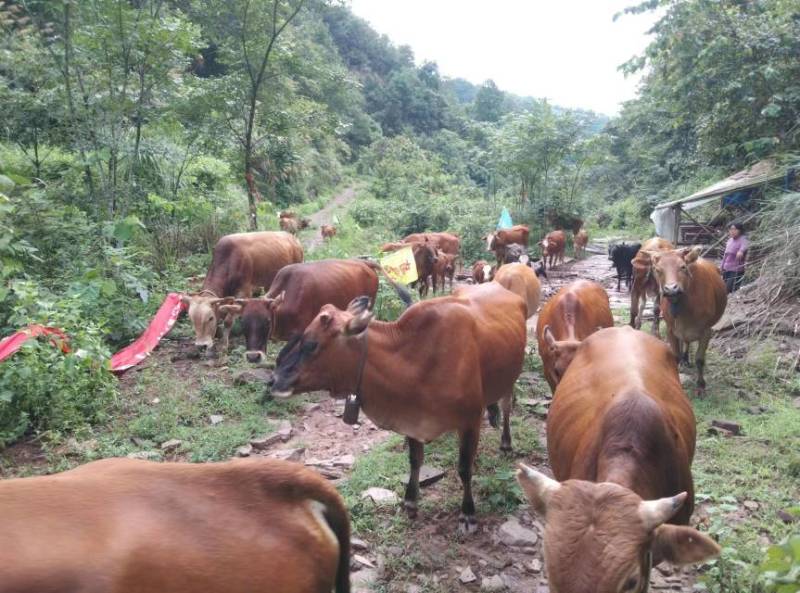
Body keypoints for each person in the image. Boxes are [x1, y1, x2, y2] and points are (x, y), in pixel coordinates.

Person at [721, 223, 748, 293]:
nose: (732, 231)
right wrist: (721, 266)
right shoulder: (729, 241)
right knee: (723, 288)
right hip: (726, 268)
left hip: (736, 269)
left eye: (735, 229)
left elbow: (745, 246)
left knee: (728, 289)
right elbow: (725, 255)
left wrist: (741, 251)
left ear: (740, 231)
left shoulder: (743, 239)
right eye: (731, 229)